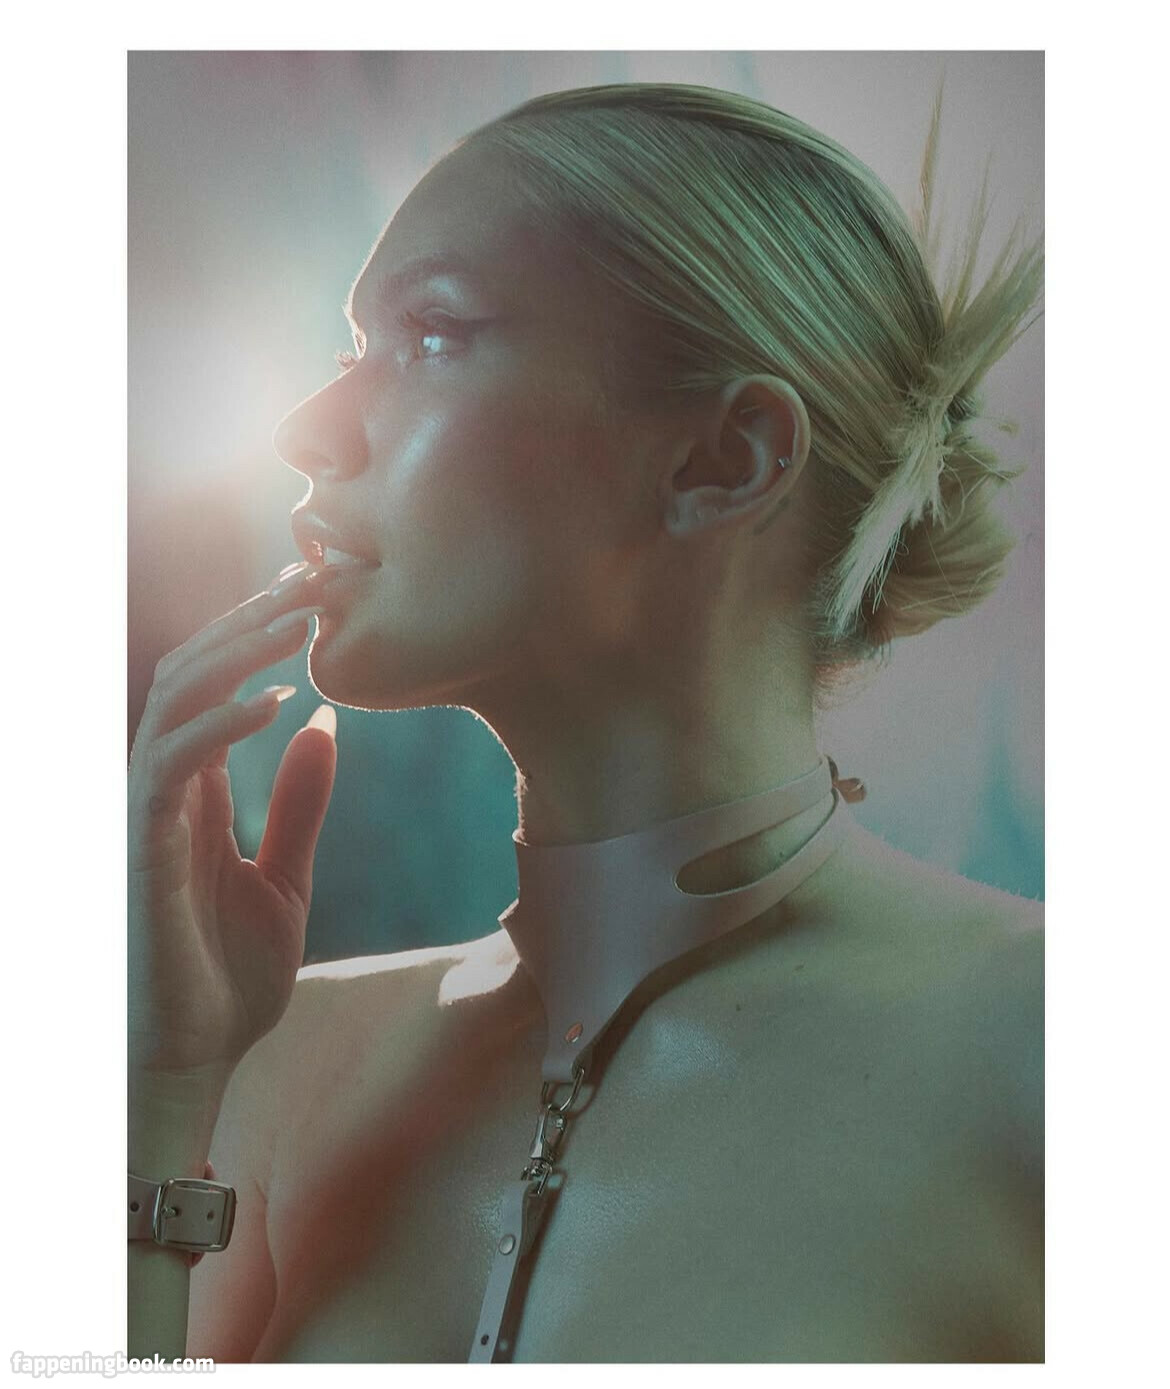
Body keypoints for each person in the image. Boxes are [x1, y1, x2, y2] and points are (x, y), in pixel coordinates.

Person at [127, 79, 1044, 1364]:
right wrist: (163, 1089)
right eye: (349, 352)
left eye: (432, 335)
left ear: (725, 458)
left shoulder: (1048, 1048)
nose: (306, 430)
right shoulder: (271, 1062)